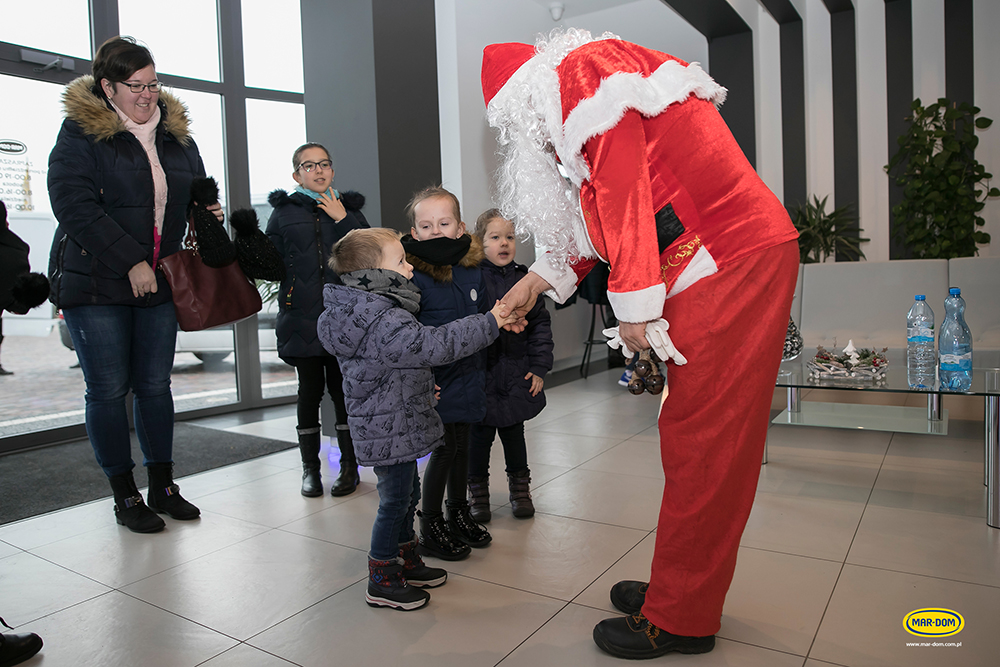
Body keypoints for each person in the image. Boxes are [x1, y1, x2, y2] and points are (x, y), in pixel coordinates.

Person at [481, 30, 799, 659]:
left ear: (529, 98)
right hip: (721, 258)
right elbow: (594, 214)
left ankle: (681, 616)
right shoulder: (587, 93)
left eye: (520, 124)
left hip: (724, 259)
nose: (531, 141)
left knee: (703, 440)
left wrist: (634, 303)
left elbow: (624, 189)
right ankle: (681, 587)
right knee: (694, 437)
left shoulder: (582, 74)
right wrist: (532, 285)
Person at [47, 36, 217, 533]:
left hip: (159, 278)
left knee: (154, 386)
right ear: (107, 86)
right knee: (107, 389)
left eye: (153, 84)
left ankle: (163, 484)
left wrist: (207, 217)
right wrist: (130, 260)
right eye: (136, 86)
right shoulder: (81, 132)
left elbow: (195, 194)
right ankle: (124, 493)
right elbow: (73, 204)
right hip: (96, 282)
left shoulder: (177, 136)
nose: (148, 95)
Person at [317, 227, 520, 610]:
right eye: (401, 261)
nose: (410, 267)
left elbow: (392, 366)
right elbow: (432, 346)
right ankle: (381, 576)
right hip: (388, 426)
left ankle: (404, 558)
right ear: (376, 274)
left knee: (407, 493)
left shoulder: (369, 313)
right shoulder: (382, 318)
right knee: (394, 500)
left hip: (394, 419)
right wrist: (489, 321)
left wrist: (423, 389)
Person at [266, 143, 368, 497]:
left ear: (333, 170)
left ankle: (349, 468)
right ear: (297, 175)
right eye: (309, 166)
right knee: (308, 393)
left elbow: (371, 255)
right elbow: (270, 262)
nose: (318, 171)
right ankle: (310, 470)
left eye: (324, 164)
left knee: (343, 393)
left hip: (345, 319)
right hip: (302, 319)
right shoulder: (282, 213)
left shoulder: (348, 208)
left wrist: (343, 218)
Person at [401, 186, 491, 560]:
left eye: (443, 223)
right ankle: (431, 521)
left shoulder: (472, 269)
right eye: (426, 225)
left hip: (469, 373)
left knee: (464, 444)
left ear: (460, 228)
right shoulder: (412, 276)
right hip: (436, 379)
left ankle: (458, 512)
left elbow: (485, 318)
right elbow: (408, 334)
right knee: (444, 449)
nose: (435, 231)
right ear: (415, 233)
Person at [468, 209, 553, 522]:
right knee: (479, 438)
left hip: (516, 372)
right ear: (480, 242)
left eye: (509, 237)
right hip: (481, 374)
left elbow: (541, 328)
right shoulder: (472, 279)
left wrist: (540, 367)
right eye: (495, 237)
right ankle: (477, 493)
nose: (504, 243)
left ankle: (520, 490)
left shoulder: (525, 280)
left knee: (515, 434)